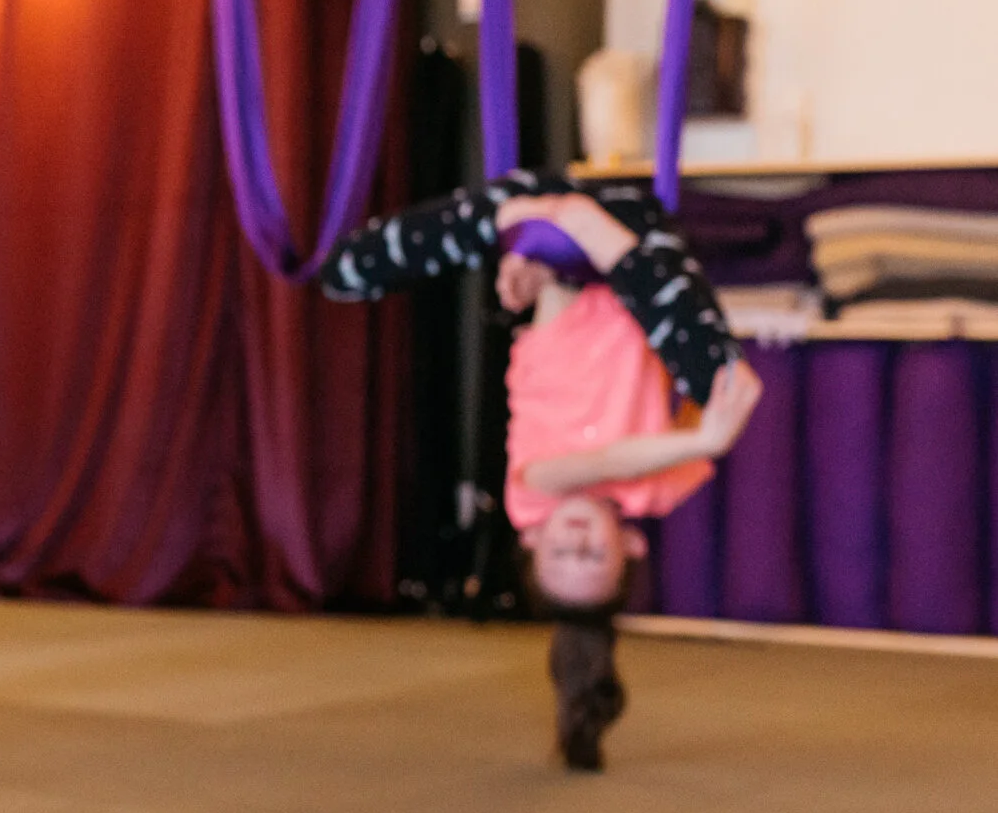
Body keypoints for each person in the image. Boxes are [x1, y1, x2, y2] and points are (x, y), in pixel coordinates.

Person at [320, 172, 763, 771]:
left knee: (345, 272)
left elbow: (597, 462)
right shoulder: (657, 488)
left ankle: (404, 251)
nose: (577, 540)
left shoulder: (528, 500)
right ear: (629, 545)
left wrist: (532, 258)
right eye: (594, 556)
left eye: (561, 554)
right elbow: (717, 395)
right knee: (723, 383)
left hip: (552, 243)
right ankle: (583, 231)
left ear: (532, 539)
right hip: (634, 247)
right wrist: (710, 425)